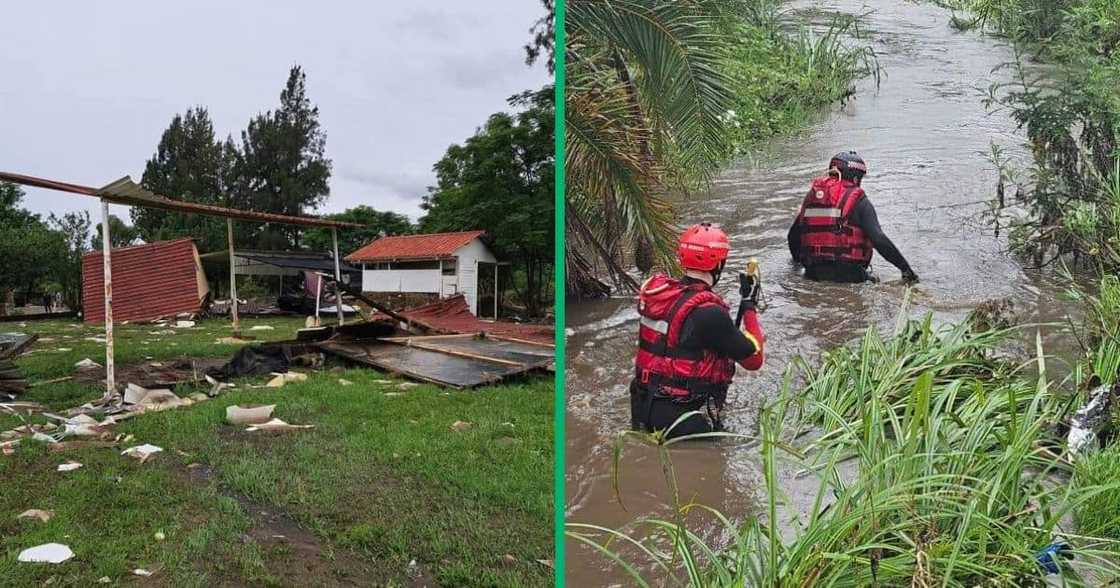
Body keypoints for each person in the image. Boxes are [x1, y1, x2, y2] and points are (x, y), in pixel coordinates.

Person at [630, 223, 765, 438]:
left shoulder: (661, 297)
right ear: (719, 263)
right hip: (682, 418)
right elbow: (754, 360)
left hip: (642, 404)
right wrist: (749, 306)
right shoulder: (710, 313)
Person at [788, 151, 918, 284]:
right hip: (850, 275)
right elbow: (878, 239)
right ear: (856, 178)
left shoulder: (812, 197)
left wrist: (798, 265)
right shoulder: (859, 200)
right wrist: (906, 270)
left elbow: (793, 237)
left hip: (813, 273)